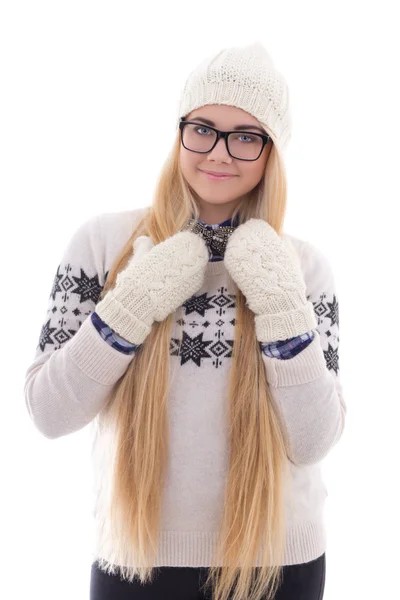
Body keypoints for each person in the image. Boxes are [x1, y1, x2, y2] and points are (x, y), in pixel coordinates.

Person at [24, 42, 346, 600]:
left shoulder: (304, 267)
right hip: (137, 560)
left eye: (247, 137)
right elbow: (50, 413)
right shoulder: (104, 244)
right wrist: (129, 306)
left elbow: (315, 440)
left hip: (278, 564)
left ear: (273, 153)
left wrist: (281, 307)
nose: (219, 153)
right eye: (203, 127)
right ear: (180, 132)